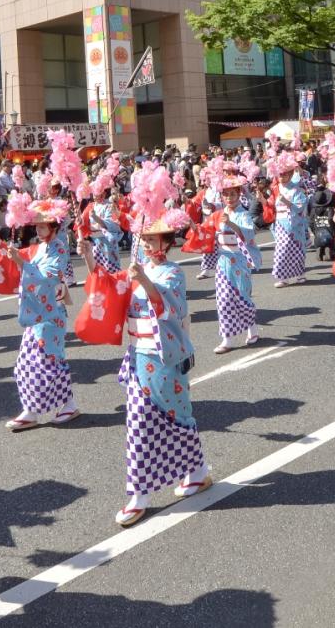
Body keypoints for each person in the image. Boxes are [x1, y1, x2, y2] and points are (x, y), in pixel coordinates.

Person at [116, 206, 210, 527]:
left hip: (164, 356)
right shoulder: (136, 269)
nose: (149, 247)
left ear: (167, 244)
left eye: (155, 241)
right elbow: (112, 294)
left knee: (173, 416)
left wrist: (143, 280)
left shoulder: (172, 273)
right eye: (146, 240)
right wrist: (88, 258)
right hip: (138, 353)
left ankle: (155, 489)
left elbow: (172, 307)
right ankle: (175, 480)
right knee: (140, 420)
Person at [0, 200, 78, 431]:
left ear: (55, 227)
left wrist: (21, 262)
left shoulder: (59, 247)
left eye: (43, 226)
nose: (38, 230)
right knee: (29, 363)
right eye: (36, 226)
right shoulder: (39, 247)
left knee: (46, 361)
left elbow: (47, 277)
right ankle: (51, 406)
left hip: (50, 314)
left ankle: (49, 407)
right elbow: (13, 256)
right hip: (37, 313)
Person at [211, 176, 260, 354]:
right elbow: (209, 232)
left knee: (243, 297)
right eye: (226, 195)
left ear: (239, 194)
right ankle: (227, 338)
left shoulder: (243, 214)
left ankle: (252, 328)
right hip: (223, 261)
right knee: (223, 300)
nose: (229, 198)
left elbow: (249, 234)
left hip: (239, 260)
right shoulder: (219, 213)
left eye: (232, 194)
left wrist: (230, 223)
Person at [271, 169, 309, 288]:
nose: (281, 176)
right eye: (279, 174)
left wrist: (287, 202)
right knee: (281, 250)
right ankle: (283, 277)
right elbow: (269, 205)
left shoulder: (295, 189)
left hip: (293, 223)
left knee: (297, 249)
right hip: (280, 223)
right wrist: (262, 199)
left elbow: (300, 206)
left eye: (284, 174)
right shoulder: (275, 189)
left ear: (291, 174)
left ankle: (300, 273)